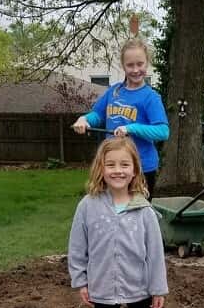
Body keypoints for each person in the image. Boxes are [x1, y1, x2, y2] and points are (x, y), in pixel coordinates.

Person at [68, 137, 176, 308]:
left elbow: (155, 253)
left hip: (138, 285)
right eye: (111, 164)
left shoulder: (144, 210)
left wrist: (158, 288)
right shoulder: (88, 206)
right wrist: (81, 280)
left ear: (135, 169)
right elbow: (77, 247)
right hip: (102, 284)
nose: (118, 170)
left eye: (124, 165)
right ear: (101, 168)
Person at [71, 38, 169, 195]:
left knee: (135, 210)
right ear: (123, 66)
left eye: (140, 64)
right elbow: (97, 115)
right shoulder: (113, 91)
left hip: (141, 168)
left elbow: (163, 132)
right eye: (130, 65)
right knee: (109, 207)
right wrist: (85, 120)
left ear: (147, 64)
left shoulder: (151, 97)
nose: (135, 70)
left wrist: (130, 129)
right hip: (111, 166)